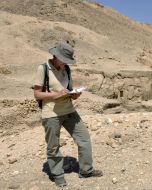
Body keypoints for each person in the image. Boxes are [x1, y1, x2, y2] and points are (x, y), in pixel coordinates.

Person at [33, 42, 103, 187]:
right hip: (51, 113)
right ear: (55, 56)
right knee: (53, 146)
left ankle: (86, 170)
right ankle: (58, 174)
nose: (65, 63)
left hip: (69, 110)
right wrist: (56, 95)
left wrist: (74, 94)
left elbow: (68, 89)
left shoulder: (67, 69)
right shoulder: (43, 69)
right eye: (63, 60)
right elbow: (37, 94)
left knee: (84, 138)